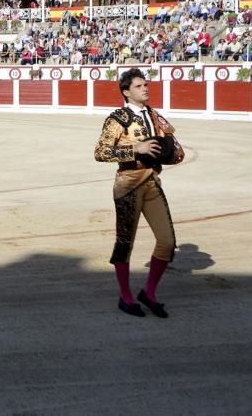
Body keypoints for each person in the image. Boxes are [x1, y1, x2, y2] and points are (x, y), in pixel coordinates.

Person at [95, 68, 184, 318]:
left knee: (167, 242)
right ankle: (126, 296)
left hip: (152, 181)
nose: (145, 88)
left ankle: (149, 292)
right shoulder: (117, 118)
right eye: (138, 86)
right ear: (126, 91)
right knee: (125, 242)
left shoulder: (155, 115)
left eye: (145, 85)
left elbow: (173, 147)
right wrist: (136, 148)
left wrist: (170, 152)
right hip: (128, 183)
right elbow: (100, 152)